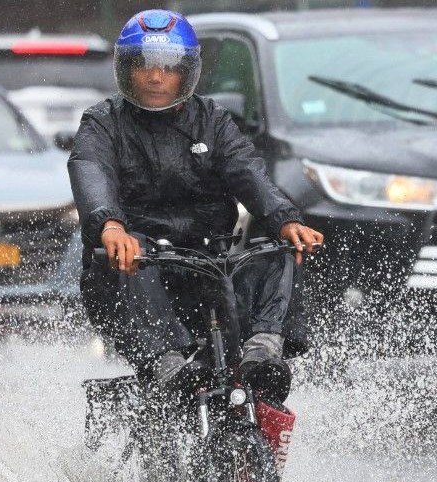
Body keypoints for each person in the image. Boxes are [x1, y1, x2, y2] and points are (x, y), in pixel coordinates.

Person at [68, 9, 324, 404]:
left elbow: (248, 172)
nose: (156, 77)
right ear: (126, 70)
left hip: (209, 264)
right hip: (134, 270)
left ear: (187, 72)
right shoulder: (102, 123)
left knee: (278, 246)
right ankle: (167, 362)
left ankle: (263, 351)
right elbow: (91, 173)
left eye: (168, 68)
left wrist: (284, 218)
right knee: (135, 247)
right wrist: (111, 227)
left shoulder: (213, 119)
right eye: (145, 67)